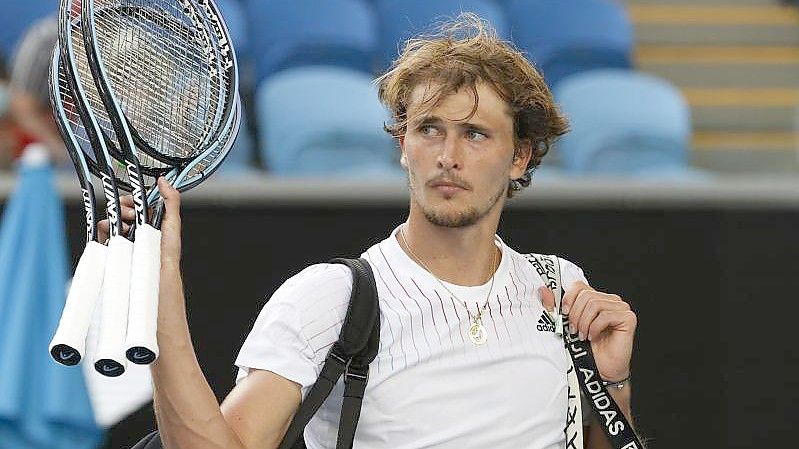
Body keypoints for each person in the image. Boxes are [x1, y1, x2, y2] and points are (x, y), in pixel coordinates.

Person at [103, 13, 639, 449]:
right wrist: (159, 290)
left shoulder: (562, 289)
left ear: (520, 157)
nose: (447, 157)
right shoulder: (329, 297)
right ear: (403, 144)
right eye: (429, 129)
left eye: (475, 135)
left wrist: (612, 383)